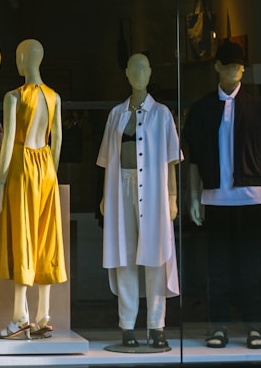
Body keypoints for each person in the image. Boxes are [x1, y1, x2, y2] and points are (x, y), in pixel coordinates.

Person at [182, 40, 261, 350]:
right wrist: (193, 195)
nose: (234, 70)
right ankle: (219, 325)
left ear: (243, 69)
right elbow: (193, 156)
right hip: (215, 196)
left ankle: (254, 325)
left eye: (239, 65)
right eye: (228, 65)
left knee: (251, 263)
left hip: (250, 195)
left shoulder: (260, 106)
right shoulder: (201, 109)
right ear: (217, 67)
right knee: (218, 265)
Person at [97, 53, 181, 350]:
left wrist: (172, 196)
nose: (139, 73)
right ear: (127, 74)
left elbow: (171, 159)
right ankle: (127, 326)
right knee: (125, 256)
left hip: (155, 191)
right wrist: (106, 196)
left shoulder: (161, 114)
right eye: (134, 69)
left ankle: (157, 326)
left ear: (150, 73)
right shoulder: (116, 114)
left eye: (144, 68)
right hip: (122, 188)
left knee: (155, 256)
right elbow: (108, 160)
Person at [0, 39, 67, 339]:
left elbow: (8, 142)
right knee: (46, 239)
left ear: (23, 59)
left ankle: (19, 316)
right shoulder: (54, 97)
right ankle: (43, 315)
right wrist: (51, 171)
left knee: (23, 238)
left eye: (16, 56)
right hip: (46, 166)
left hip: (23, 167)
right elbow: (58, 139)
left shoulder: (14, 97)